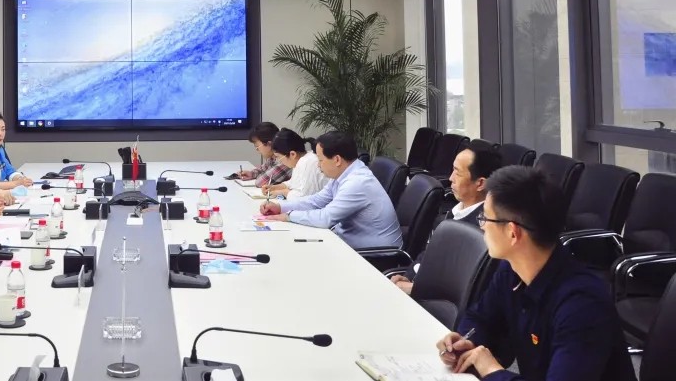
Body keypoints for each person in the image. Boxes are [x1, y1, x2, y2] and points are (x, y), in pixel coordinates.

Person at [437, 166, 634, 381]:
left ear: (513, 233)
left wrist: (492, 370)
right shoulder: (511, 270)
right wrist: (467, 341)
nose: (482, 226)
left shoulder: (581, 305)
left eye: (485, 218)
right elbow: (481, 317)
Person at [391, 139, 502, 295]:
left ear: (480, 183)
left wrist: (414, 288)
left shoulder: (481, 230)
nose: (450, 178)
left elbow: (459, 287)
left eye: (457, 173)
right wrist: (408, 276)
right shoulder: (455, 212)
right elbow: (429, 255)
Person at [259, 131, 401, 249]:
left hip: (376, 255)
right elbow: (316, 201)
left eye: (321, 160)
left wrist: (289, 216)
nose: (318, 166)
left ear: (337, 160)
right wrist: (280, 207)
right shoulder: (343, 174)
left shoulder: (357, 183)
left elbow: (326, 218)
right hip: (349, 243)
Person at [260, 128, 329, 200]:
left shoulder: (308, 163)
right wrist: (275, 187)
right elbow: (294, 182)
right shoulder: (301, 160)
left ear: (292, 154)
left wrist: (283, 192)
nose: (279, 161)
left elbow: (304, 198)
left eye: (278, 157)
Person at [235, 122, 292, 186]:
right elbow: (262, 169)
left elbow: (260, 182)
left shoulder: (285, 160)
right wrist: (251, 174)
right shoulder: (273, 157)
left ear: (269, 144)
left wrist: (260, 175)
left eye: (257, 146)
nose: (256, 150)